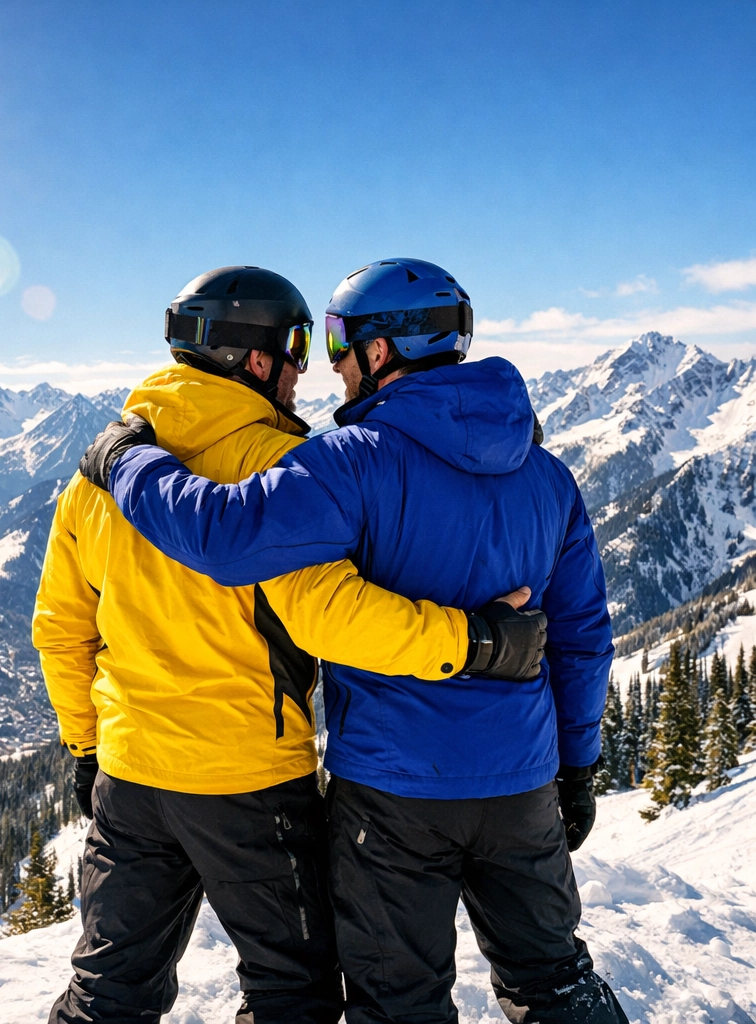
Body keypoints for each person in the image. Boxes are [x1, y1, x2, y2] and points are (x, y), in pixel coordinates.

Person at [80, 258, 629, 1024]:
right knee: (555, 979)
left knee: (398, 1005)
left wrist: (126, 460)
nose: (330, 364)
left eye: (338, 341)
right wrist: (576, 766)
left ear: (381, 350)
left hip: (393, 792)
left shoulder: (351, 463)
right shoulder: (546, 475)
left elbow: (227, 536)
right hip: (520, 779)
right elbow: (583, 639)